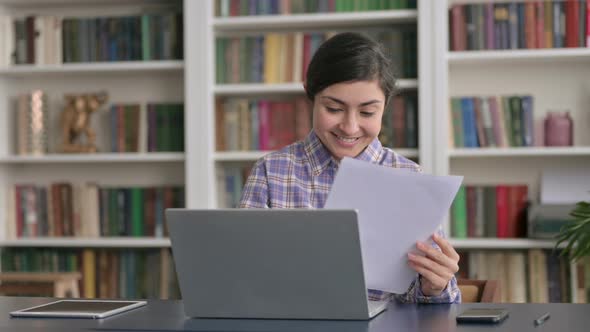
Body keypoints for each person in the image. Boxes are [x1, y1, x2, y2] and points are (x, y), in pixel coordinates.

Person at [239, 32, 461, 304]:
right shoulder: (271, 172)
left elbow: (432, 303)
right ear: (311, 93)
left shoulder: (411, 179)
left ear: (385, 107)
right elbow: (242, 278)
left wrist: (434, 286)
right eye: (333, 108)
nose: (350, 127)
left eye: (367, 113)